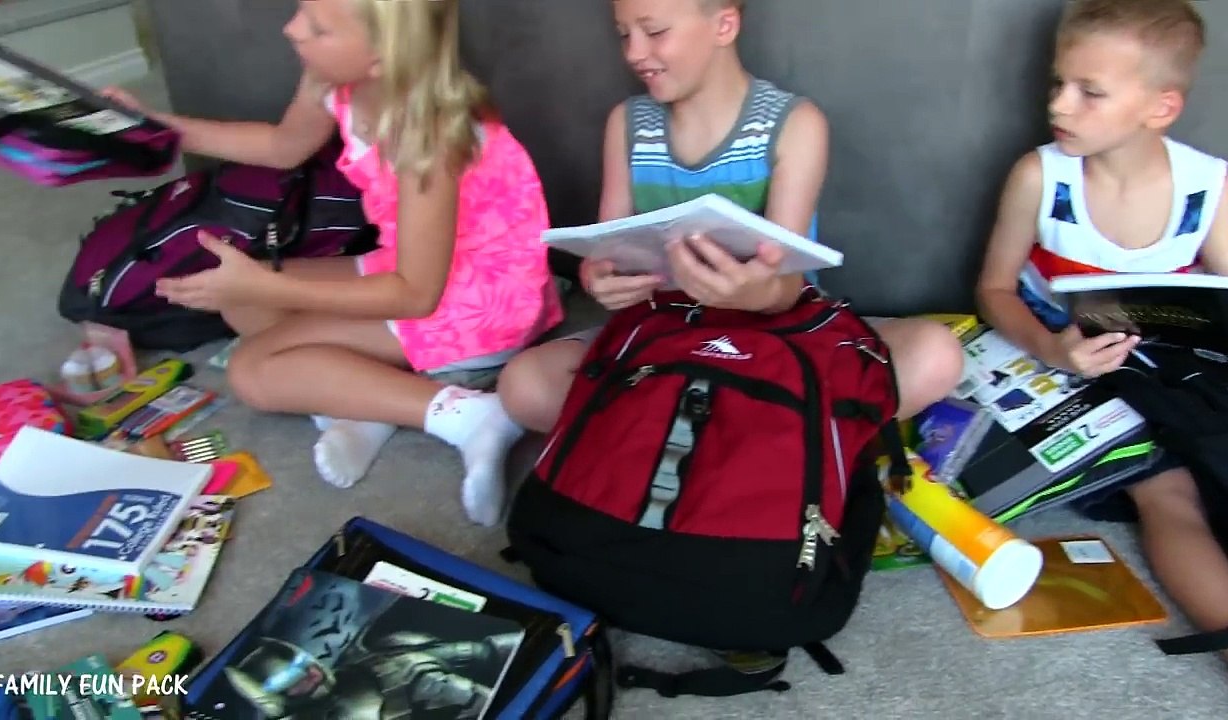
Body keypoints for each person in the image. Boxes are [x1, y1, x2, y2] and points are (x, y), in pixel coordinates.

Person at [104, 0, 563, 526]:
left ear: (381, 57)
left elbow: (416, 295)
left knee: (253, 371)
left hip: (478, 308)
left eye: (318, 28)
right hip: (414, 267)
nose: (291, 28)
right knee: (243, 301)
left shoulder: (429, 136)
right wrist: (161, 129)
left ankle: (470, 416)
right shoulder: (332, 79)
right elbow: (282, 146)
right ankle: (369, 401)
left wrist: (270, 287)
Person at [497, 0, 964, 438]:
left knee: (936, 354)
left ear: (724, 25)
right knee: (524, 385)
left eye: (654, 32)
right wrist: (598, 280)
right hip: (666, 336)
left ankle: (697, 431)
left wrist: (755, 293)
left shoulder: (794, 124)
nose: (635, 53)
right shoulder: (628, 123)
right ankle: (755, 431)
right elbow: (605, 252)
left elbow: (789, 286)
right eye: (624, 34)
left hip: (777, 336)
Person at [975, 0, 1228, 662]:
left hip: (1171, 367)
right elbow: (993, 290)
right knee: (1167, 489)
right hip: (1064, 363)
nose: (1059, 105)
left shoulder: (1208, 188)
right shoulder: (1041, 176)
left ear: (1160, 108)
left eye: (1090, 92)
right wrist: (1051, 347)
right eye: (1058, 83)